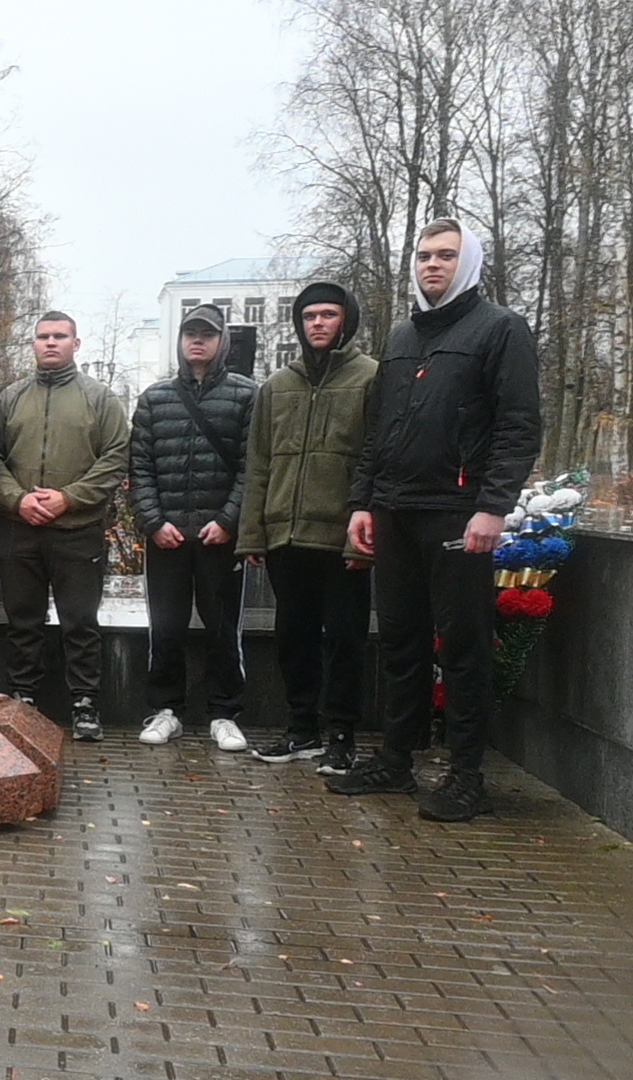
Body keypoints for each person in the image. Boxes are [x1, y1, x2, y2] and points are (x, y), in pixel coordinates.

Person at [333, 219, 542, 821]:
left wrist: (492, 505)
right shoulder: (401, 336)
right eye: (424, 255)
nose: (432, 265)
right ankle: (397, 762)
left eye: (446, 255)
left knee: (464, 645)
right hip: (395, 511)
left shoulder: (500, 330)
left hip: (457, 512)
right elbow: (377, 431)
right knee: (399, 640)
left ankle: (466, 775)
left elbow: (518, 426)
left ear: (468, 262)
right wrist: (362, 503)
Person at [237, 282, 378, 775]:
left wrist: (366, 534)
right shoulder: (277, 386)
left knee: (344, 638)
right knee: (292, 636)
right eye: (309, 316)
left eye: (328, 315)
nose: (317, 323)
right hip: (285, 537)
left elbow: (375, 460)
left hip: (343, 537)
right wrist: (253, 533)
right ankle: (302, 729)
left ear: (347, 321)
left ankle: (341, 734)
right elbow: (258, 463)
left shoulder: (371, 379)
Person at [0, 311, 130, 740]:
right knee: (23, 619)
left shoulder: (99, 398)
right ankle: (22, 696)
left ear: (76, 343)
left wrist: (69, 498)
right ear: (32, 344)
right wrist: (18, 499)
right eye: (43, 337)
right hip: (19, 528)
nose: (51, 343)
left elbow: (116, 457)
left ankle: (85, 703)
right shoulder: (10, 397)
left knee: (80, 621)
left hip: (78, 529)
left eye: (60, 336)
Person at [128, 304, 256, 752]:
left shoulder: (246, 396)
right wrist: (153, 522)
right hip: (167, 538)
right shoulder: (154, 399)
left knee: (224, 629)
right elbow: (140, 467)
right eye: (189, 334)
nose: (197, 341)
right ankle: (165, 710)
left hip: (220, 539)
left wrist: (228, 521)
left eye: (207, 334)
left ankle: (225, 713)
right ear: (180, 341)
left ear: (223, 341)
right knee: (165, 628)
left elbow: (252, 467)